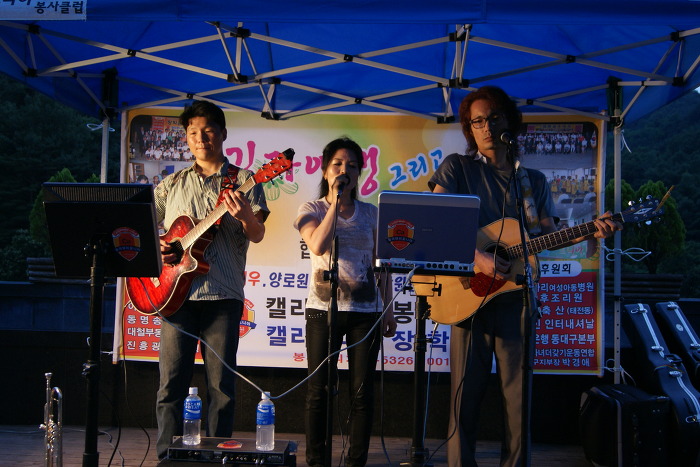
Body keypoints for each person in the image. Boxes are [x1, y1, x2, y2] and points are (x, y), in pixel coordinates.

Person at [428, 86, 621, 467]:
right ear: (469, 129)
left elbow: (548, 236)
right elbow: (434, 220)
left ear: (509, 122)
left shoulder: (532, 181)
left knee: (518, 402)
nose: (486, 127)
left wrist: (591, 231)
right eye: (477, 121)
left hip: (517, 298)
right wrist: (477, 256)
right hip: (467, 297)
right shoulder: (457, 168)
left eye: (493, 118)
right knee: (464, 399)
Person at [154, 100, 269, 459]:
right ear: (186, 138)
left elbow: (257, 233)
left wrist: (245, 216)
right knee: (171, 386)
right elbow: (144, 227)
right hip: (175, 296)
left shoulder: (246, 181)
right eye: (193, 133)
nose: (200, 138)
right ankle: (168, 458)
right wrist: (161, 246)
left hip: (223, 295)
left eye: (208, 131)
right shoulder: (171, 184)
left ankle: (219, 457)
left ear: (223, 134)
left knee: (221, 388)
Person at [294, 137, 397, 467]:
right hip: (322, 311)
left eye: (352, 166)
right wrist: (335, 203)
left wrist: (388, 309)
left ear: (360, 174)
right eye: (337, 164)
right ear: (325, 171)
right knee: (318, 390)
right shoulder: (310, 210)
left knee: (362, 392)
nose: (344, 170)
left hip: (366, 313)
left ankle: (355, 461)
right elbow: (318, 246)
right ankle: (316, 461)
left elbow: (383, 266)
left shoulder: (372, 213)